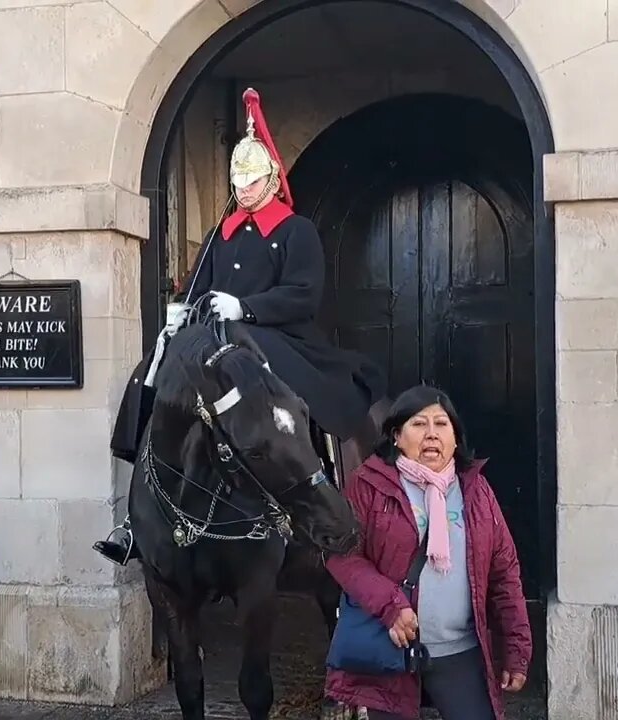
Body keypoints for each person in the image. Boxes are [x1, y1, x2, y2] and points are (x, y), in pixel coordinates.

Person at [98, 87, 386, 565]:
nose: (243, 189)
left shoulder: (295, 231)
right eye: (238, 181)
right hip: (213, 332)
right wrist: (177, 312)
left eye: (252, 180)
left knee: (295, 400)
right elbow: (197, 284)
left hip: (274, 331)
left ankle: (325, 490)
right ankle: (137, 515)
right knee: (151, 376)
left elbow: (303, 295)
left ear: (271, 179)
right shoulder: (220, 233)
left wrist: (246, 308)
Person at [323, 385, 532, 720]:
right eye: (419, 425)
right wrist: (391, 605)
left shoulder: (476, 490)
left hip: (460, 652)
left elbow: (504, 572)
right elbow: (341, 555)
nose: (432, 434)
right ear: (396, 436)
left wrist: (517, 647)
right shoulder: (369, 485)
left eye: (441, 424)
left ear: (455, 437)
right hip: (389, 650)